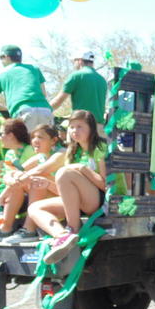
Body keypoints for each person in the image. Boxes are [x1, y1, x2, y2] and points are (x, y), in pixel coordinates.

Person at [29, 110, 126, 264]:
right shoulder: (73, 152)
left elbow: (107, 186)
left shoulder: (101, 148)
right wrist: (48, 185)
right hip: (81, 203)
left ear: (91, 128)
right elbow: (66, 191)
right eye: (72, 127)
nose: (75, 131)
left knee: (64, 172)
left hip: (106, 201)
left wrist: (83, 169)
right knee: (34, 208)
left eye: (80, 126)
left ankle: (73, 228)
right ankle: (62, 236)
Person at [0, 124, 64, 244]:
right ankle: (5, 228)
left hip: (65, 196)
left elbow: (41, 170)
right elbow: (16, 172)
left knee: (36, 179)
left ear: (53, 140)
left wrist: (7, 191)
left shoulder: (61, 154)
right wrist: (11, 182)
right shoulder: (40, 156)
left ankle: (29, 230)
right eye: (33, 137)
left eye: (40, 137)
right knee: (20, 181)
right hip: (47, 193)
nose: (35, 140)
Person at [0, 119, 35, 241]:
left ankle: (5, 229)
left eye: (0, 134)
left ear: (10, 135)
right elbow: (8, 176)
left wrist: (7, 189)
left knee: (14, 188)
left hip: (28, 191)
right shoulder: (10, 154)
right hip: (11, 190)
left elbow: (29, 175)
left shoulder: (29, 150)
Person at [0, 45, 53, 131]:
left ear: (6, 57)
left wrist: (8, 109)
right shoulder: (34, 69)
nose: (1, 61)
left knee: (25, 144)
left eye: (1, 58)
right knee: (46, 144)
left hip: (23, 112)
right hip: (45, 110)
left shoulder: (1, 74)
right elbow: (43, 94)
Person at [50, 51, 108, 135]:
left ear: (80, 61)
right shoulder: (102, 80)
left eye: (74, 61)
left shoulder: (76, 76)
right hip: (99, 128)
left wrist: (44, 108)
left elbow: (58, 101)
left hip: (80, 128)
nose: (74, 64)